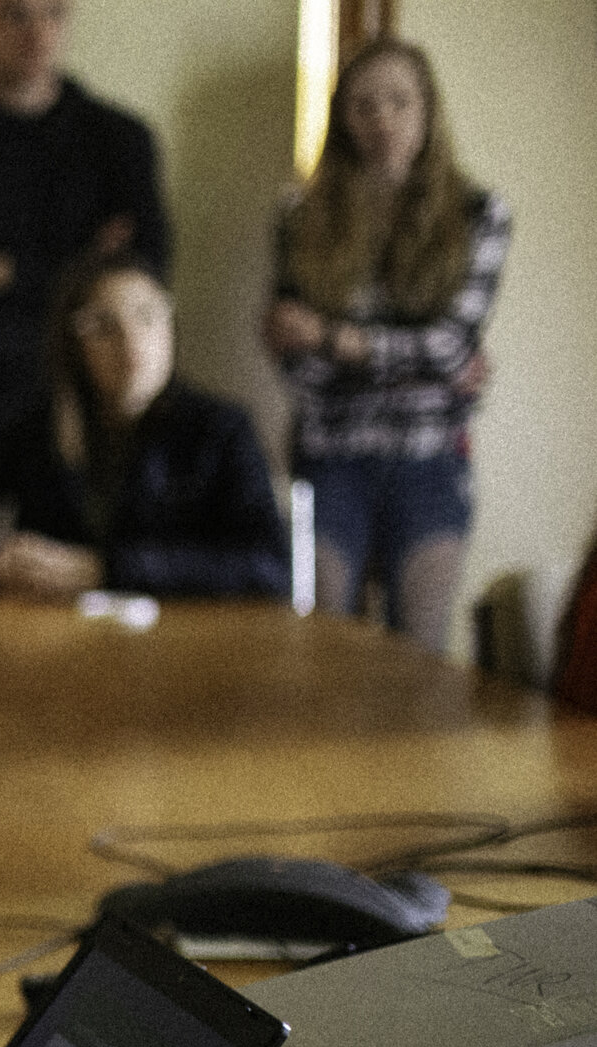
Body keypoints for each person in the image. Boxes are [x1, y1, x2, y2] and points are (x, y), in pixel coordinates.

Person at [265, 36, 509, 653]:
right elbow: (299, 365)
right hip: (329, 456)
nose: (382, 121)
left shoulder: (479, 213)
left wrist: (333, 338)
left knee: (419, 659)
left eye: (400, 102)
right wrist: (411, 360)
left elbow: (452, 347)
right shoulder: (300, 215)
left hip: (429, 459)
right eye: (364, 105)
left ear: (428, 111)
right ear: (342, 116)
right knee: (319, 650)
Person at [0, 251, 288, 599]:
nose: (132, 343)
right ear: (73, 342)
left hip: (190, 653)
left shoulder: (219, 429)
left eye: (147, 316)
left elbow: (269, 567)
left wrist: (105, 570)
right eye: (105, 325)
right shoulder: (32, 424)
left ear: (170, 323)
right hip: (52, 647)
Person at [0, 0, 169, 469]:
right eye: (17, 15)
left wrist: (12, 272)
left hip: (100, 401)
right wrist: (83, 269)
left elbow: (144, 283)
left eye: (53, 13)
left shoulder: (118, 141)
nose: (38, 33)